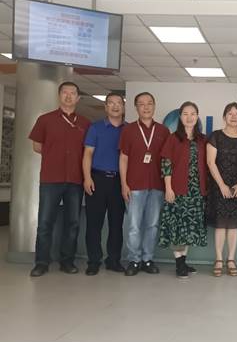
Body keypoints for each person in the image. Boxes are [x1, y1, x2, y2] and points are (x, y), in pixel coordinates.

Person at [29, 81, 91, 277]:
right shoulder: (45, 120)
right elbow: (37, 146)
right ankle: (41, 262)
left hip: (75, 180)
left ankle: (67, 261)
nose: (69, 96)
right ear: (59, 95)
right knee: (45, 222)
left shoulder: (85, 123)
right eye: (65, 92)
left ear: (78, 98)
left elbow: (88, 152)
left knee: (72, 223)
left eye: (73, 93)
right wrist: (54, 155)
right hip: (51, 178)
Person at [119, 92, 169, 276]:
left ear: (154, 106)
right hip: (134, 185)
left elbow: (167, 161)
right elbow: (123, 158)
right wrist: (124, 184)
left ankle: (147, 259)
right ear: (136, 108)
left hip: (157, 186)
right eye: (141, 104)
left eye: (149, 103)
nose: (146, 107)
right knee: (134, 226)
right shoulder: (128, 130)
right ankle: (134, 260)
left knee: (152, 225)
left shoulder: (163, 131)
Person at [158, 101, 208, 279]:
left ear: (197, 116)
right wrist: (168, 188)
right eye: (185, 114)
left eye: (193, 113)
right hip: (177, 190)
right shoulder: (173, 138)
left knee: (189, 228)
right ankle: (179, 264)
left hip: (196, 192)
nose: (189, 117)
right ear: (180, 117)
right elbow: (166, 164)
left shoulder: (203, 140)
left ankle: (183, 262)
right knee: (177, 228)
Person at [82, 93, 126, 276]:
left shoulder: (129, 129)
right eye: (111, 103)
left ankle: (113, 260)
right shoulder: (95, 128)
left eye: (118, 103)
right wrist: (87, 178)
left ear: (123, 107)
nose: (115, 106)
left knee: (116, 224)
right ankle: (94, 261)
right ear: (106, 107)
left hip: (118, 182)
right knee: (94, 224)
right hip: (97, 180)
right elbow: (87, 154)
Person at [206, 102, 237, 277]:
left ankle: (231, 259)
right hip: (219, 186)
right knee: (220, 224)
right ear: (224, 117)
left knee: (233, 225)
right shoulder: (215, 136)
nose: (233, 117)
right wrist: (222, 186)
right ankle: (218, 259)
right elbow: (211, 162)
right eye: (230, 113)